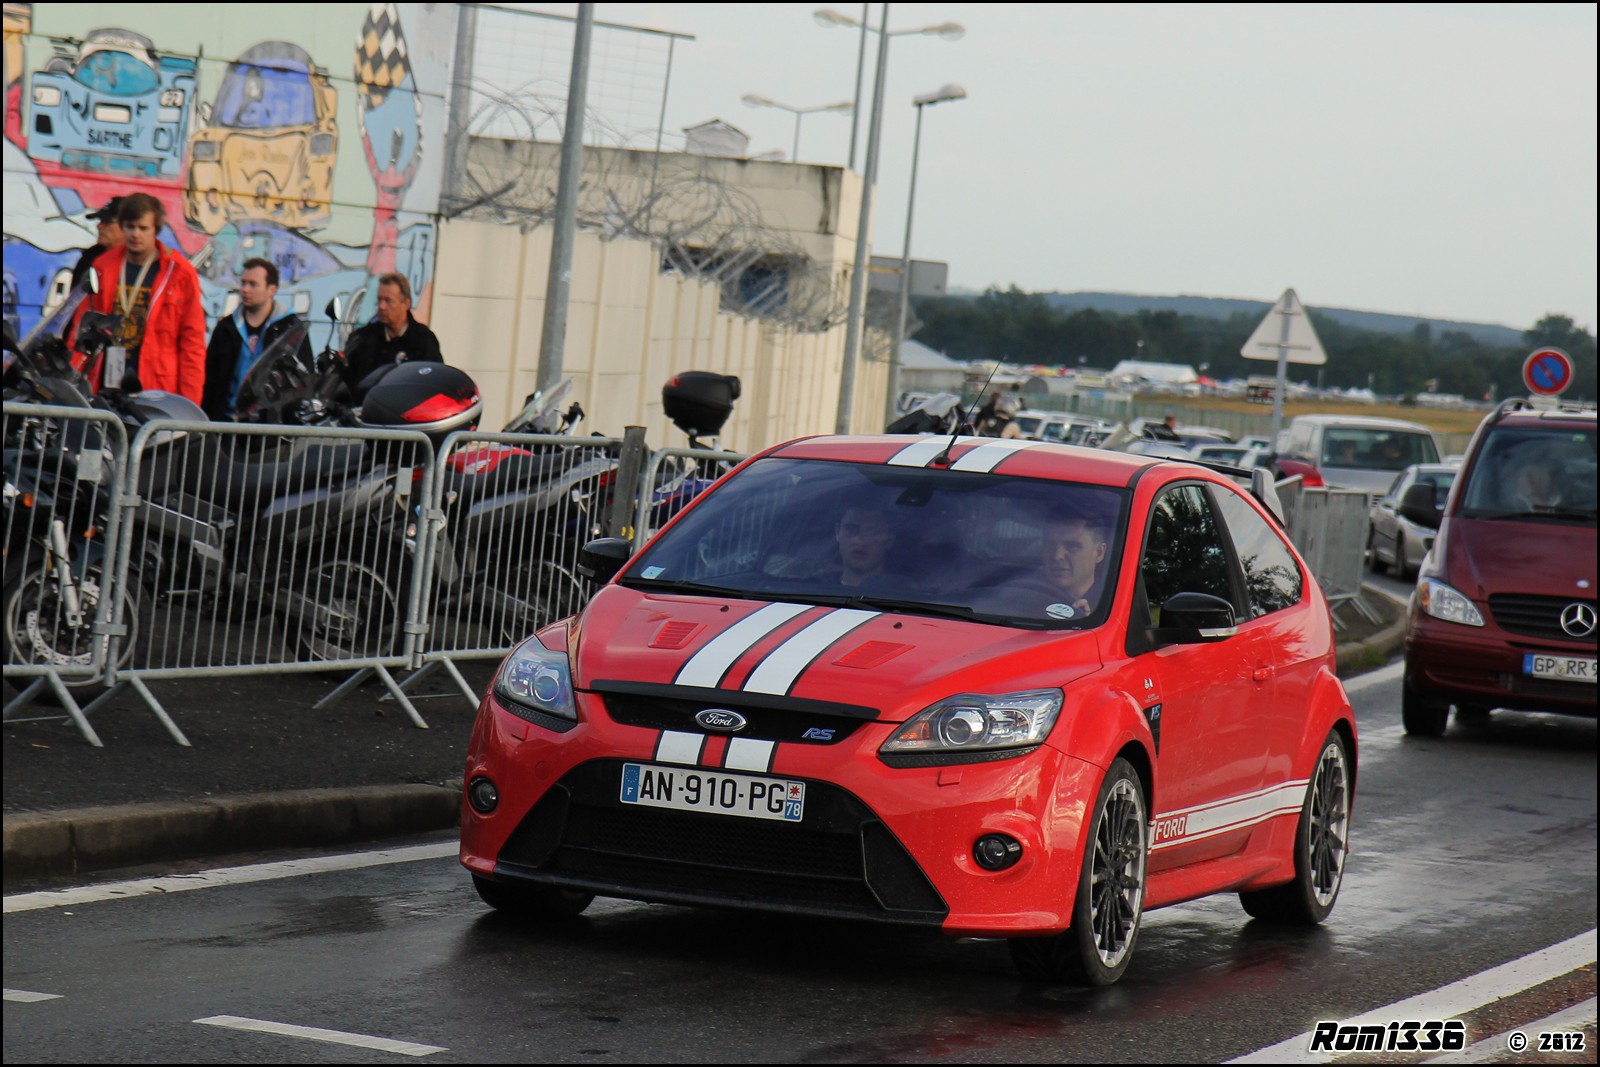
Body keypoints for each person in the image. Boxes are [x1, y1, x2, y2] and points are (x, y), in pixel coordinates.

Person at [77, 192, 206, 402]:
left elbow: (193, 343)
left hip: (156, 388)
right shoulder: (103, 266)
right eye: (130, 227)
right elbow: (82, 328)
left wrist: (189, 403)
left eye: (143, 228)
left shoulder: (179, 273)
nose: (136, 234)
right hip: (105, 383)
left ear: (156, 229)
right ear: (122, 227)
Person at [201, 257, 315, 420]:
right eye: (243, 283)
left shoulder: (290, 328)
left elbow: (304, 377)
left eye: (253, 284)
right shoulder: (226, 327)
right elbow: (210, 378)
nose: (245, 289)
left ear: (272, 289)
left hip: (271, 424)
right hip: (227, 421)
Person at [342, 272, 441, 389]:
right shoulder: (362, 339)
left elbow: (434, 382)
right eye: (379, 300)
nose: (381, 306)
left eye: (388, 301)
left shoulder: (424, 340)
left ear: (406, 304)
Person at [832, 505, 896, 587]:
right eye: (851, 529)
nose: (860, 541)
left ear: (889, 539)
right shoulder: (818, 587)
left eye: (873, 532)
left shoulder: (906, 591)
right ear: (837, 532)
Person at [71, 196, 125, 288]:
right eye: (101, 221)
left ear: (128, 225)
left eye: (107, 222)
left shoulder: (141, 261)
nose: (99, 226)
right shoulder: (89, 258)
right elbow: (76, 295)